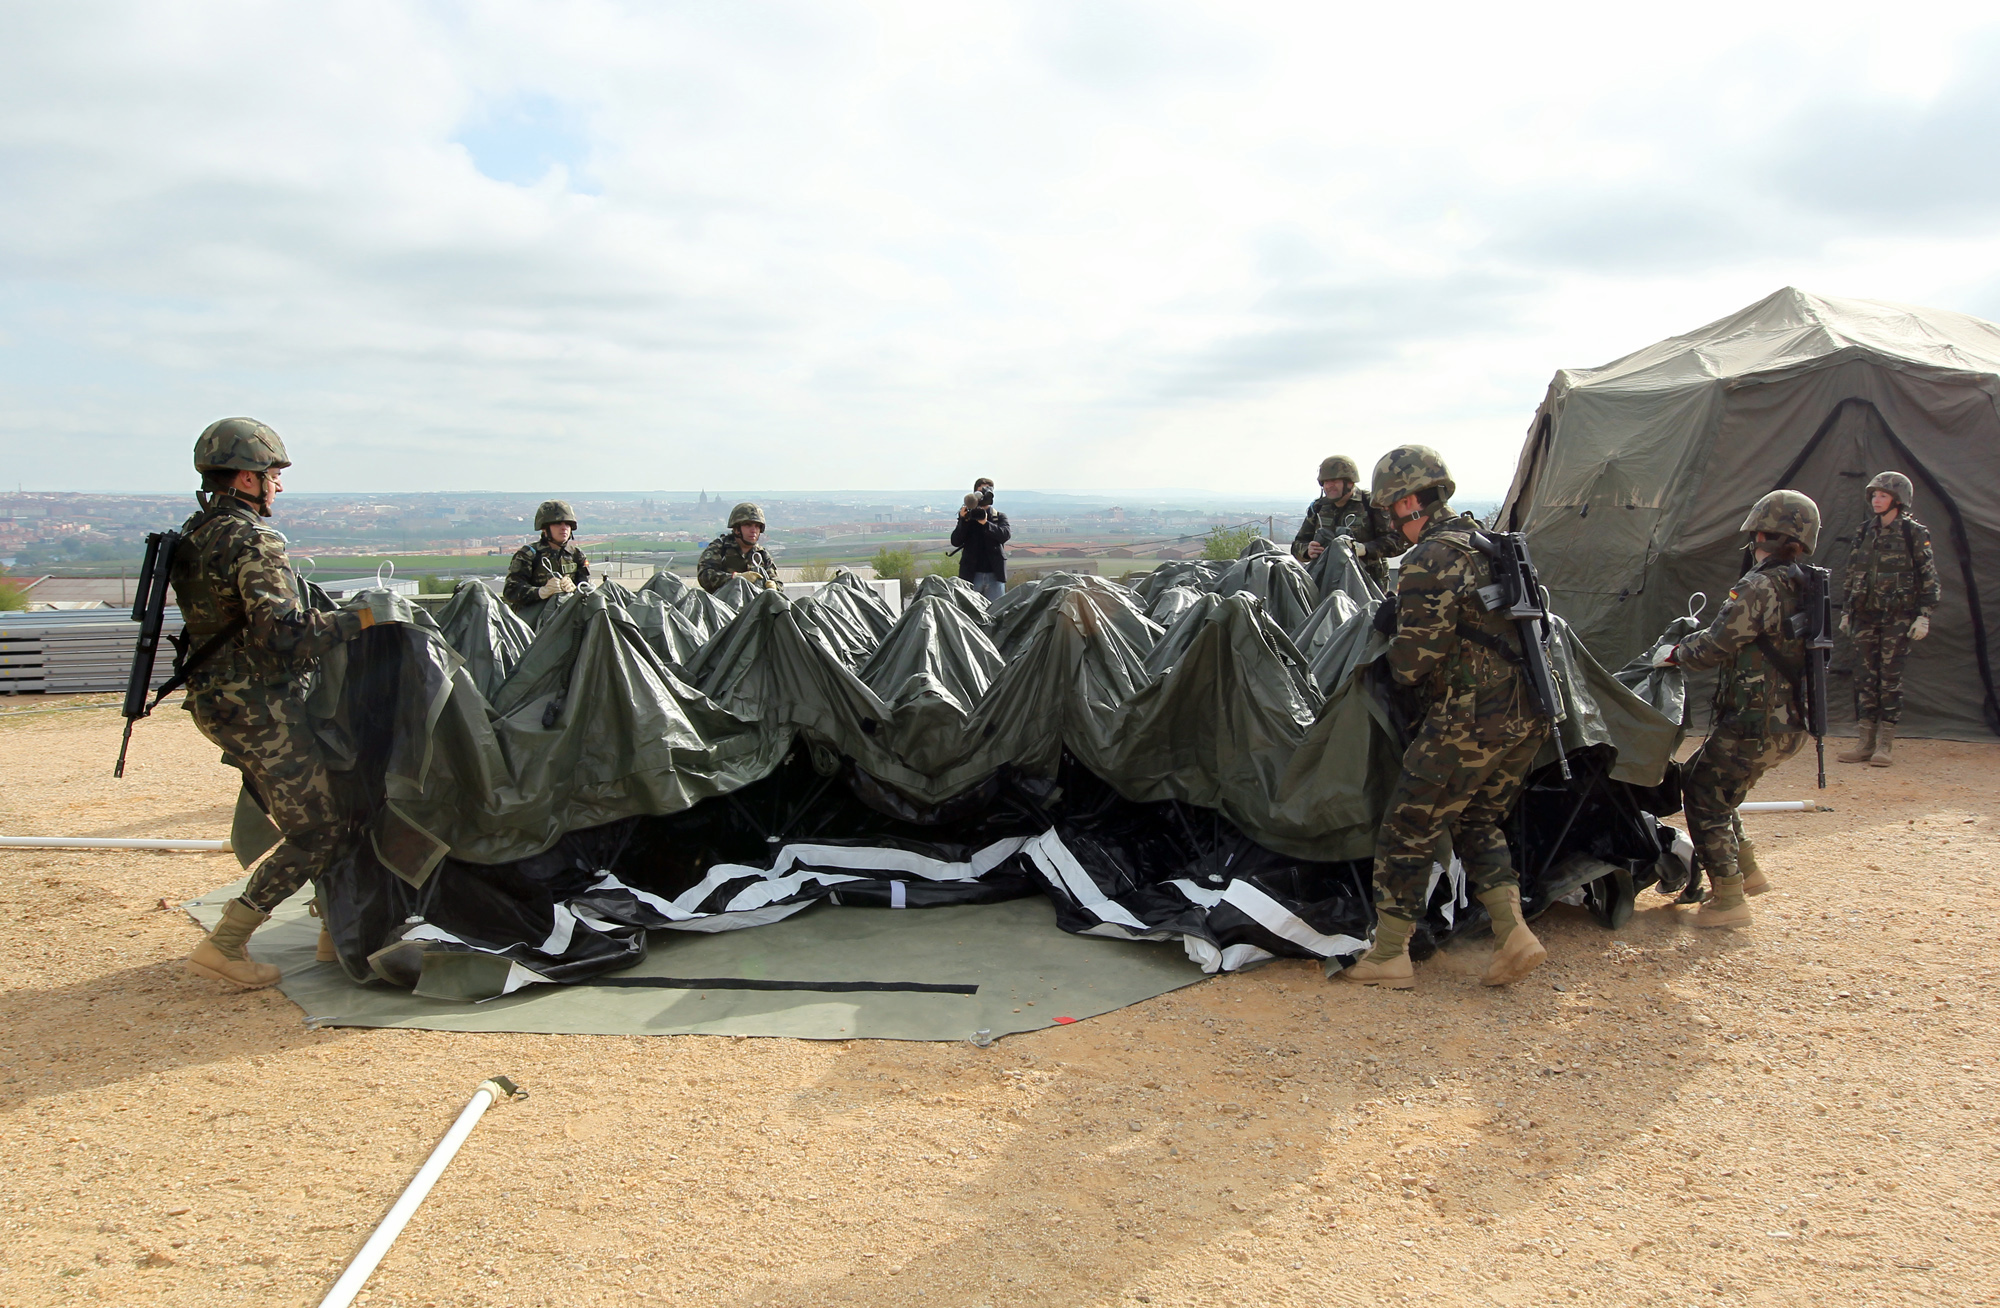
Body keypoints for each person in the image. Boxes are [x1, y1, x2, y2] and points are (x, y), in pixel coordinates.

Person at [172, 417, 392, 988]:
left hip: (222, 700)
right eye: (273, 474)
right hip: (259, 706)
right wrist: (363, 617)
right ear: (247, 478)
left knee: (334, 798)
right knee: (317, 826)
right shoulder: (251, 538)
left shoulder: (199, 532)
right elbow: (284, 634)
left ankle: (332, 927)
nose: (278, 486)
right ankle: (225, 944)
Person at [1336, 445, 1551, 989]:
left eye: (1389, 512)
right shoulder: (1486, 542)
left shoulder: (1431, 558)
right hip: (1526, 714)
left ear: (1409, 502)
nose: (1390, 524)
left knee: (1408, 827)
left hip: (1470, 719)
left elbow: (1413, 665)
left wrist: (1391, 627)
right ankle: (1513, 933)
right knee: (1477, 820)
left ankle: (1388, 957)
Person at [1648, 489, 1822, 929]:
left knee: (1703, 792)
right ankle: (1749, 871)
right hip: (1791, 723)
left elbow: (1715, 646)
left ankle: (1728, 899)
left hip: (1755, 722)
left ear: (1763, 532)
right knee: (1721, 788)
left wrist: (1673, 653)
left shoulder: (1760, 586)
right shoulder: (1806, 585)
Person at [1837, 472, 1939, 767]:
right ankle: (1865, 743)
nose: (1876, 500)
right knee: (1865, 680)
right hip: (1864, 616)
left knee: (1889, 680)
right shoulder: (1864, 531)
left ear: (1898, 499)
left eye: (1882, 495)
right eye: (1873, 495)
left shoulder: (1913, 533)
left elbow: (1928, 576)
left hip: (1897, 618)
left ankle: (1885, 745)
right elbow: (1853, 572)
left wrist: (1924, 615)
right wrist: (1847, 611)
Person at [1289, 455, 1405, 589]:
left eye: (1334, 481)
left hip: (1367, 585)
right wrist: (1307, 550)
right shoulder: (1319, 508)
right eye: (1325, 482)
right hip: (1326, 584)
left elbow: (1398, 541)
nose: (1329, 486)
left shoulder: (1371, 503)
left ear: (1350, 482)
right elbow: (1297, 545)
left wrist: (1364, 549)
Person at [503, 500, 591, 611]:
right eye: (557, 523)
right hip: (534, 619)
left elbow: (587, 588)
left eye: (568, 524)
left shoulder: (577, 556)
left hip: (568, 615)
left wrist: (575, 589)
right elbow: (511, 591)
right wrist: (540, 592)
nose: (564, 528)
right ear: (545, 528)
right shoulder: (528, 555)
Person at [698, 502, 784, 592]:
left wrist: (774, 586)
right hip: (723, 603)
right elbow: (705, 577)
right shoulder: (720, 548)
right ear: (736, 528)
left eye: (757, 526)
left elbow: (777, 583)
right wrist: (735, 578)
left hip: (755, 604)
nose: (753, 530)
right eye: (748, 525)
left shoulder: (762, 555)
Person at [951, 478, 1011, 602]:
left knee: (995, 613)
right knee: (969, 613)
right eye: (980, 493)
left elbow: (1004, 535)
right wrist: (964, 521)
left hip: (995, 574)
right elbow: (956, 541)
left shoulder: (998, 517)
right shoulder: (968, 517)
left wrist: (985, 523)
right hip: (971, 575)